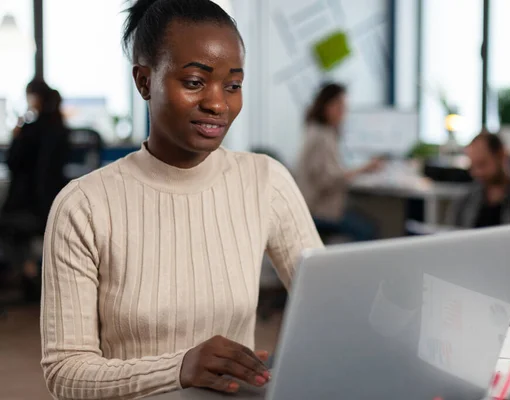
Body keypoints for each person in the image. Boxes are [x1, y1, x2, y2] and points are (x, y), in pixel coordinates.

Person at [39, 1, 322, 399]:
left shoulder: (265, 180)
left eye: (233, 85)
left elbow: (329, 304)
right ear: (144, 81)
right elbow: (66, 373)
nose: (218, 103)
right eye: (194, 82)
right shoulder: (84, 205)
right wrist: (180, 368)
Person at [0, 80, 70, 302]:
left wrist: (16, 134)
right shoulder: (60, 128)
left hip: (30, 208)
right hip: (53, 205)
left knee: (6, 225)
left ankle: (28, 271)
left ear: (35, 98)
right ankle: (31, 270)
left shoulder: (29, 129)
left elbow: (12, 162)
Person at [295, 83, 383, 242]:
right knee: (368, 229)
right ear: (328, 106)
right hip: (319, 210)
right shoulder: (321, 137)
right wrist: (364, 169)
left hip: (317, 206)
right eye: (340, 106)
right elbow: (329, 179)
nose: (344, 113)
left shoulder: (319, 131)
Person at [447, 131, 510, 228]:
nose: (476, 172)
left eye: (482, 164)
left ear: (501, 155)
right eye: (472, 166)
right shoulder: (464, 202)